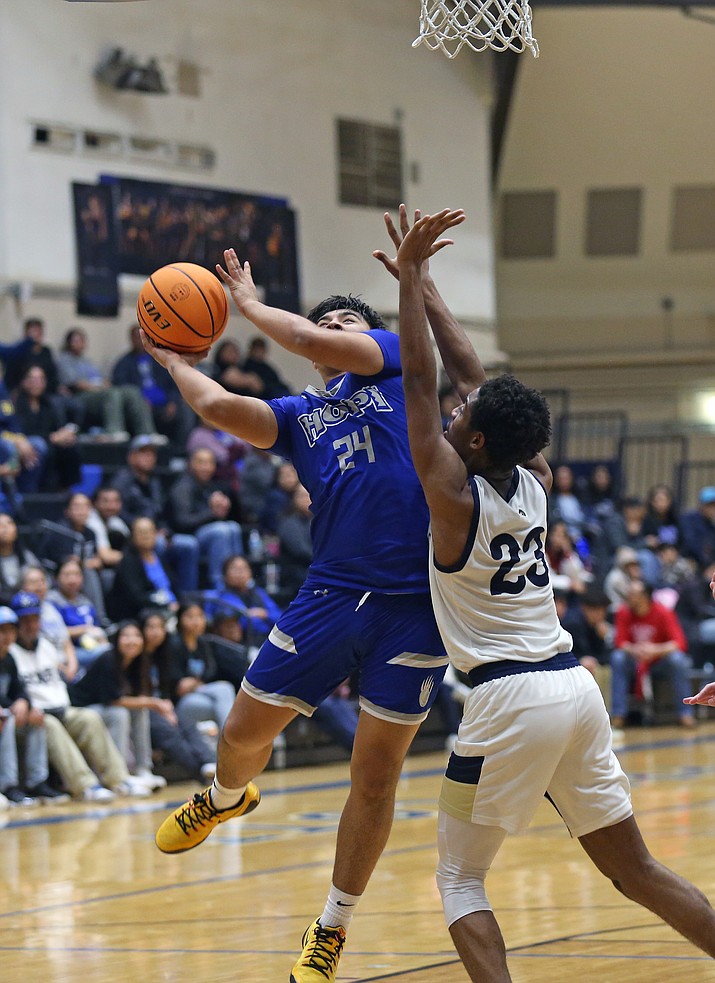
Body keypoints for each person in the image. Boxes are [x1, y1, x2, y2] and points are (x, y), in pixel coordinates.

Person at [393, 207, 715, 981]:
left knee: (459, 877)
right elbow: (474, 381)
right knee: (633, 867)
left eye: (461, 418)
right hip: (575, 688)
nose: (456, 409)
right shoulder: (533, 478)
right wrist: (429, 284)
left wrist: (408, 281)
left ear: (470, 442)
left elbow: (420, 377)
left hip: (507, 699)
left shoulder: (452, 493)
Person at [148, 221, 454, 983]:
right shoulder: (301, 416)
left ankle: (331, 927)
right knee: (242, 733)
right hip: (330, 594)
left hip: (414, 605)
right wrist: (170, 361)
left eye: (342, 321)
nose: (331, 332)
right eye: (321, 324)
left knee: (375, 776)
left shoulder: (393, 364)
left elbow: (330, 340)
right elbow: (219, 406)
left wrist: (248, 303)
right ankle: (223, 796)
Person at [8, 591, 150, 801]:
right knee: (51, 726)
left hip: (60, 708)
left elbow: (59, 678)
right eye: (25, 620)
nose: (31, 625)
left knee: (88, 718)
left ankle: (119, 779)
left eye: (34, 618)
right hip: (32, 717)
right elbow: (15, 691)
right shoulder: (9, 653)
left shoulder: (46, 646)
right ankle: (86, 786)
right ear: (16, 624)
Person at [68, 621, 167, 790]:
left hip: (104, 707)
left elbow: (136, 697)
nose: (132, 641)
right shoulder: (108, 659)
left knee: (139, 711)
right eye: (126, 636)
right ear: (117, 640)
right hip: (81, 708)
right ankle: (119, 774)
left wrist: (152, 704)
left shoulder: (138, 663)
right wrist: (154, 703)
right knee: (119, 713)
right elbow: (113, 700)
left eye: (136, 636)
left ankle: (143, 769)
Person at [0, 605, 68, 806]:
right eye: (1, 631)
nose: (6, 636)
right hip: (6, 715)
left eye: (10, 631)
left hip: (7, 711)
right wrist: (12, 706)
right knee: (8, 719)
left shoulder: (8, 658)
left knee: (37, 718)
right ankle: (8, 785)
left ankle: (37, 782)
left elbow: (19, 690)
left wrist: (23, 702)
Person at [140, 610, 217, 784]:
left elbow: (166, 688)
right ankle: (202, 774)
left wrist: (166, 705)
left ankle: (212, 763)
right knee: (170, 734)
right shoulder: (137, 655)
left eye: (160, 627)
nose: (156, 632)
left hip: (163, 706)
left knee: (188, 725)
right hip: (143, 707)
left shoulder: (164, 654)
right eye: (150, 627)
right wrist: (159, 706)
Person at [610, 579, 694, 729]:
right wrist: (636, 650)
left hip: (658, 662)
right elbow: (619, 642)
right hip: (634, 660)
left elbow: (679, 643)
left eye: (633, 594)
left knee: (678, 660)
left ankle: (685, 713)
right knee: (617, 657)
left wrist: (655, 650)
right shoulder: (623, 611)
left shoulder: (663, 612)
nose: (629, 597)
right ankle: (618, 714)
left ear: (645, 596)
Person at [56, 327, 156, 439]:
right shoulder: (65, 360)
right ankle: (114, 431)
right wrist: (97, 387)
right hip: (80, 396)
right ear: (69, 343)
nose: (79, 344)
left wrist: (104, 384)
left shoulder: (87, 361)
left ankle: (148, 433)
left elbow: (103, 379)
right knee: (112, 393)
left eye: (82, 340)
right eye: (76, 341)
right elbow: (76, 383)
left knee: (133, 391)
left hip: (99, 392)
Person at [167, 446, 244, 590]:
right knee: (221, 531)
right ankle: (219, 583)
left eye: (210, 463)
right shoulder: (183, 487)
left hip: (205, 535)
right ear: (191, 464)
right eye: (201, 462)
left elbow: (238, 516)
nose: (206, 467)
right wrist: (212, 513)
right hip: (186, 537)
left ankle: (241, 579)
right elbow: (182, 522)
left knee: (233, 527)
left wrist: (225, 508)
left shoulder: (210, 486)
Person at [13, 365, 82, 491]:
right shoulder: (16, 403)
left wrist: (64, 434)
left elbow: (56, 427)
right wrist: (51, 437)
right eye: (32, 379)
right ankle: (31, 490)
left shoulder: (49, 404)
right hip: (24, 442)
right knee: (41, 446)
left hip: (49, 440)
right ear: (24, 381)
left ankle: (67, 489)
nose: (36, 383)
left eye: (40, 379)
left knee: (70, 446)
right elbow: (19, 430)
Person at [107, 516, 180, 623]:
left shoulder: (159, 557)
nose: (146, 536)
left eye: (149, 532)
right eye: (141, 532)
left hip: (170, 606)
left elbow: (173, 586)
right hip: (145, 613)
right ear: (132, 536)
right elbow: (136, 597)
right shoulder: (128, 561)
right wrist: (166, 605)